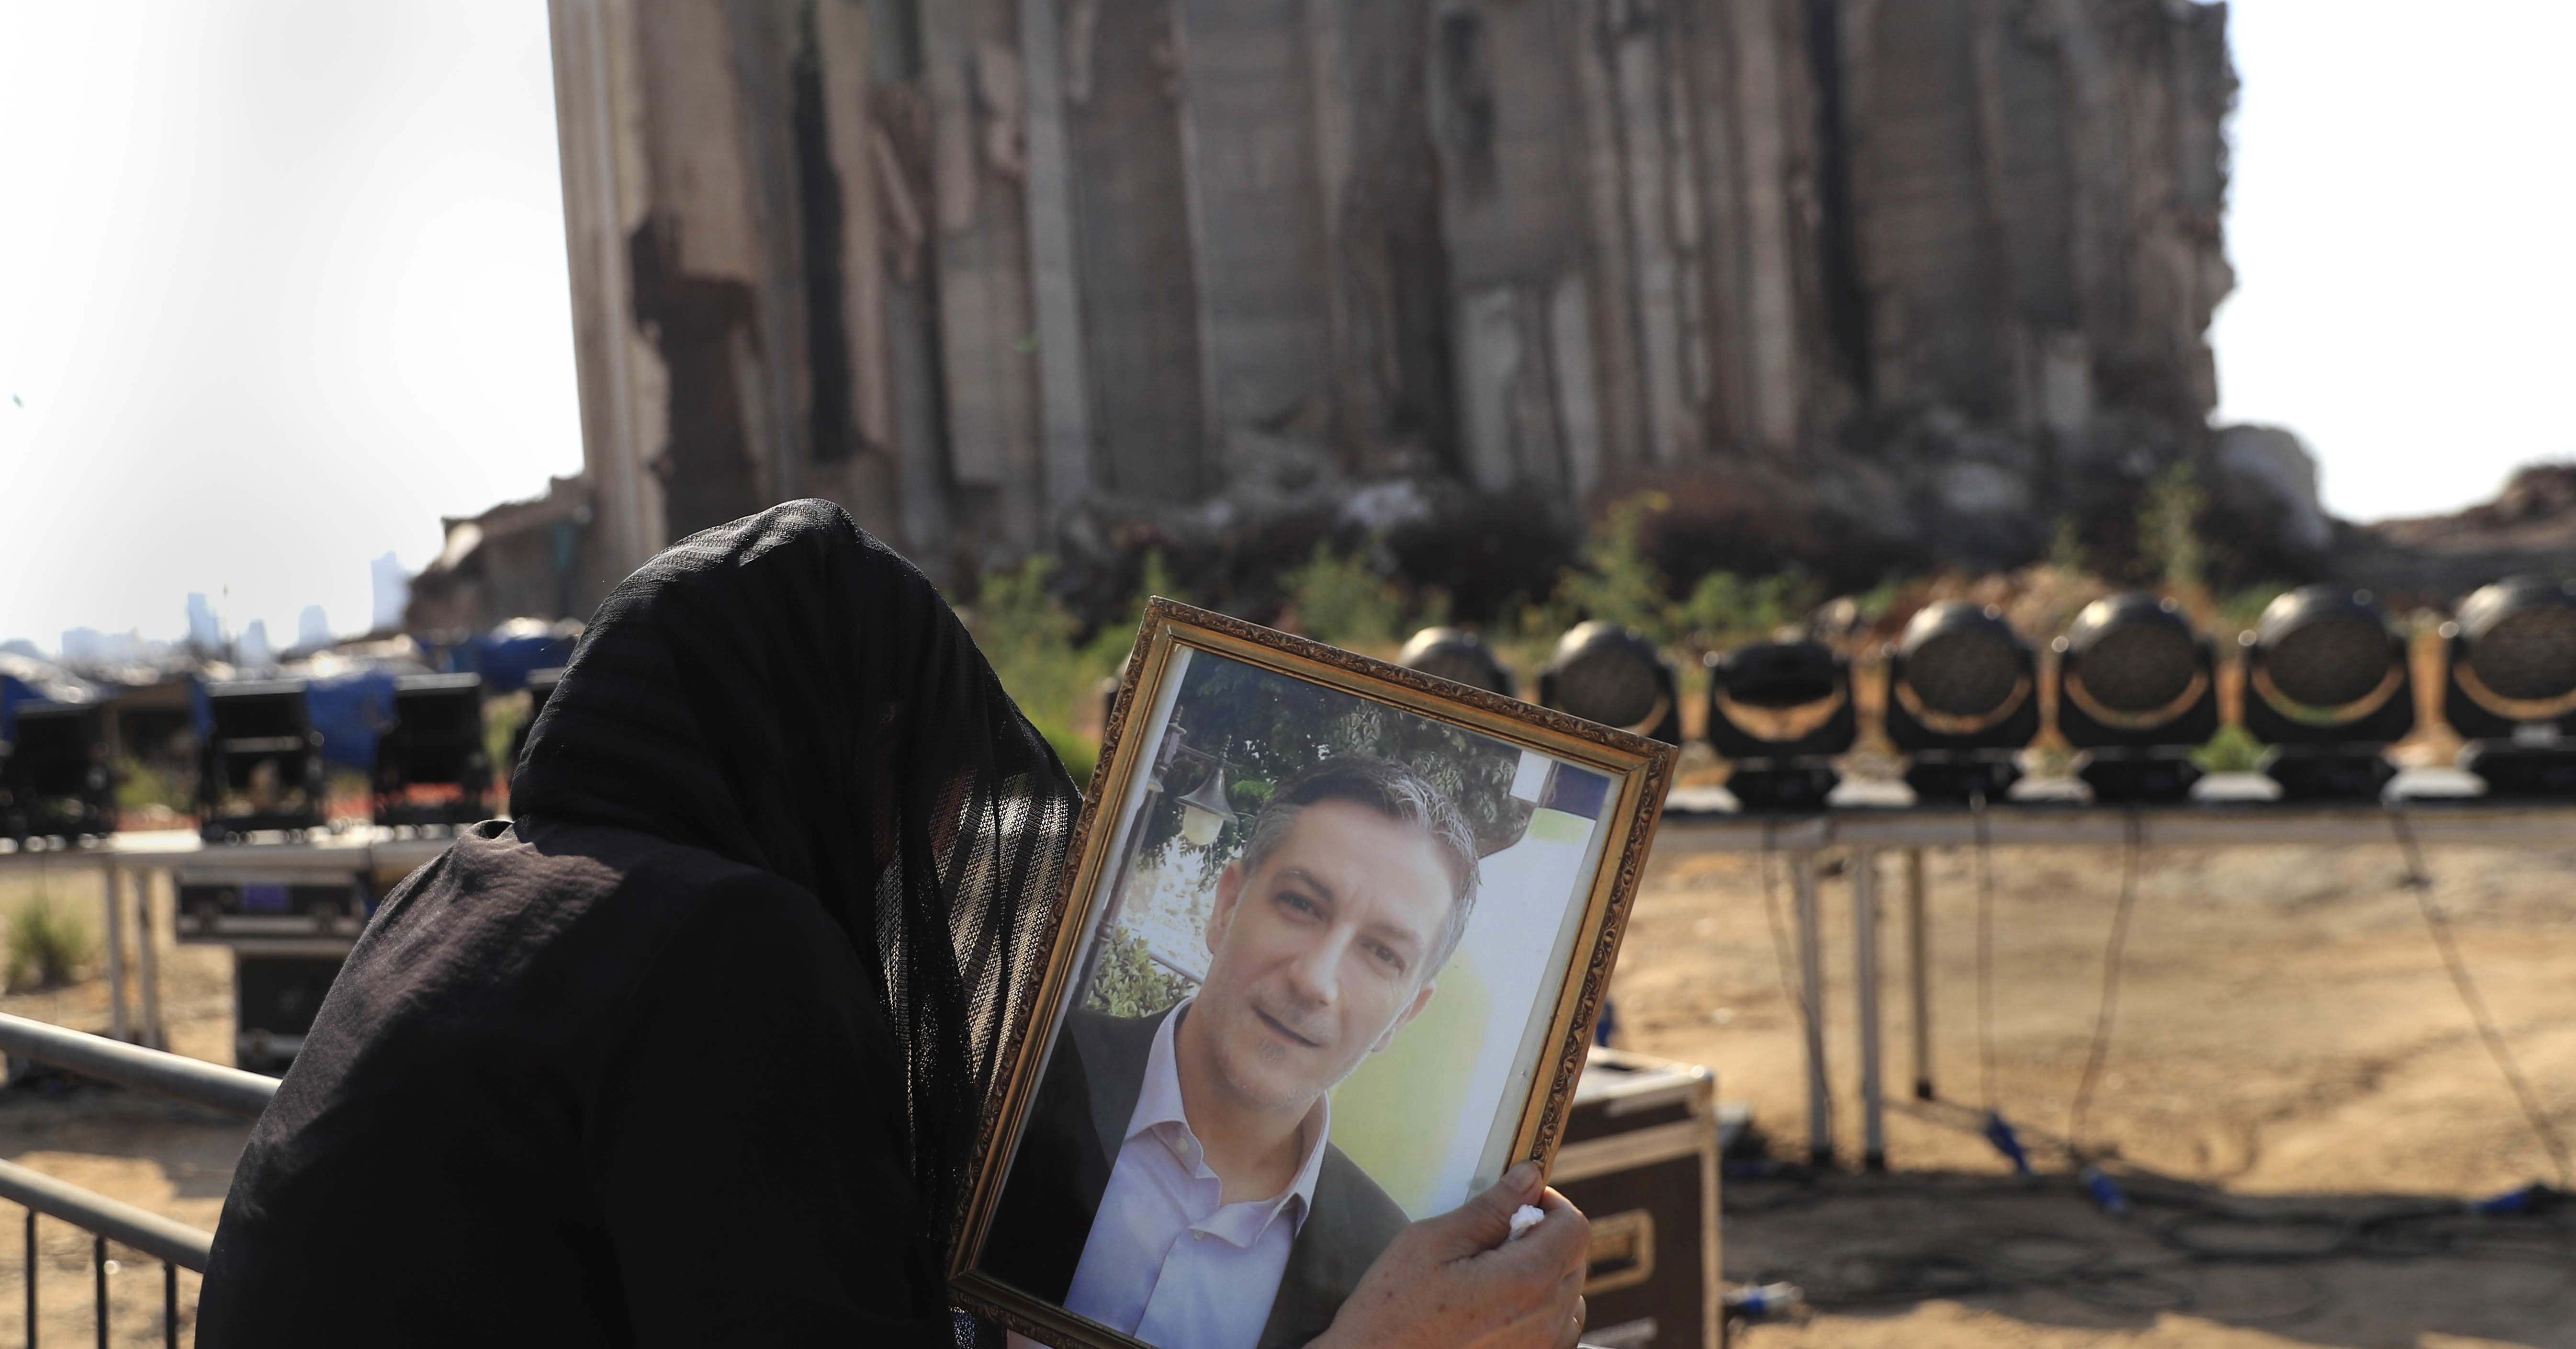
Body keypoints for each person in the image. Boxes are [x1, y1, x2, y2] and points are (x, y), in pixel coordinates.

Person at [195, 500, 1588, 1348]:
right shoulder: (720, 953)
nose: (922, 864)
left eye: (1386, 950)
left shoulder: (473, 891)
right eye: (926, 801)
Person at [981, 757, 1586, 1349]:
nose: (1315, 981)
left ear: (1404, 1015)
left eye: (1380, 953)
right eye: (1300, 904)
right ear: (1225, 906)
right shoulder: (1007, 1072)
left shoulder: (1395, 1272)